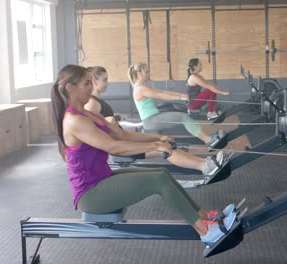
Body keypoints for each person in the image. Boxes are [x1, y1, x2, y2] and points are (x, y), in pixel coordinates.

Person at [50, 64, 237, 245]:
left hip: (101, 179)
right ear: (69, 88)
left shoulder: (88, 114)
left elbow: (122, 134)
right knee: (158, 181)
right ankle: (205, 232)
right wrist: (155, 145)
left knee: (162, 175)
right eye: (86, 84)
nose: (91, 87)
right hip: (90, 194)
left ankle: (204, 216)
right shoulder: (74, 120)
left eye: (91, 83)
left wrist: (158, 137)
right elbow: (114, 147)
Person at [85, 66, 227, 176]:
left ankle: (206, 163)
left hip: (123, 139)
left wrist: (112, 118)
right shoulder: (92, 103)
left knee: (166, 145)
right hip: (120, 146)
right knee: (164, 148)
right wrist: (107, 122)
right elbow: (94, 133)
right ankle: (205, 165)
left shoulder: (97, 101)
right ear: (94, 82)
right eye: (104, 80)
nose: (108, 83)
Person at [129, 62, 225, 148]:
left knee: (183, 114)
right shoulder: (140, 88)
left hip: (154, 117)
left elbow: (161, 91)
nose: (149, 74)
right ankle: (207, 139)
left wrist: (181, 95)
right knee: (183, 117)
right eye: (147, 72)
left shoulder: (142, 86)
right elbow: (161, 95)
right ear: (139, 74)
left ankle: (205, 136)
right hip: (151, 120)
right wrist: (180, 98)